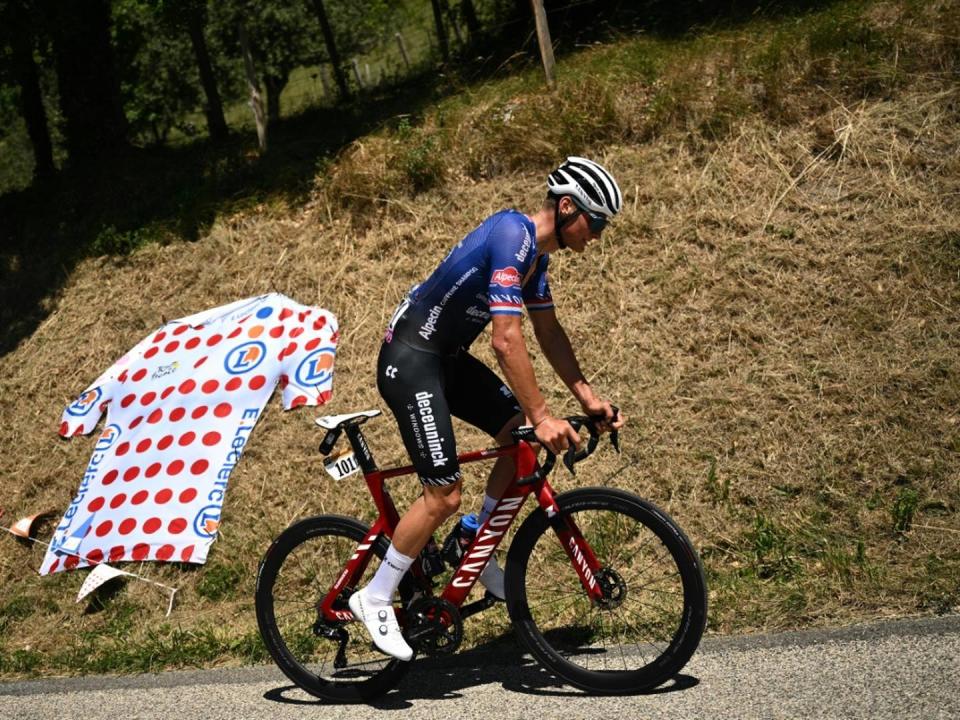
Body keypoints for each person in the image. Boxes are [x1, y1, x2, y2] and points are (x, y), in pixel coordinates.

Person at [349, 157, 627, 660]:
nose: (599, 235)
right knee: (445, 493)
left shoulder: (535, 261)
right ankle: (375, 596)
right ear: (567, 208)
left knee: (515, 437)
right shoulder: (512, 234)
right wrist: (544, 416)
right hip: (411, 361)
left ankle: (472, 545)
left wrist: (588, 398)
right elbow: (506, 337)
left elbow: (547, 332)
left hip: (445, 360)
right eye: (597, 221)